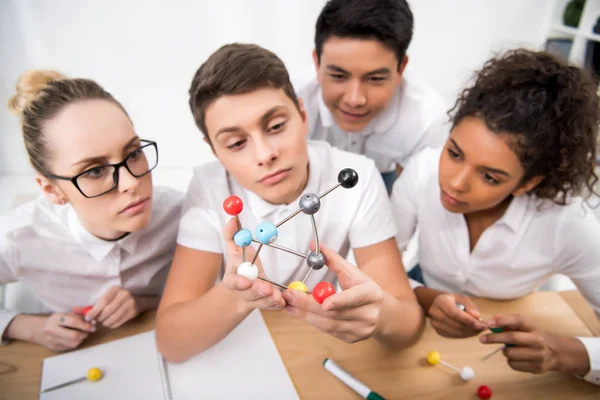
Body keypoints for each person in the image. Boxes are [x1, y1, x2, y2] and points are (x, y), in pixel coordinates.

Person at [156, 43, 424, 363]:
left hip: (317, 349)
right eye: (236, 142)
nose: (265, 154)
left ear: (302, 116)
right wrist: (238, 295)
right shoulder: (210, 188)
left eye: (276, 126)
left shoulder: (354, 177)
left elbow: (407, 326)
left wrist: (381, 317)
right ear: (214, 150)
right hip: (248, 350)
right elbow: (171, 343)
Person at [391, 49, 600, 384]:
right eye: (454, 153)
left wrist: (562, 352)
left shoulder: (568, 222)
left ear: (528, 182)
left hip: (510, 334)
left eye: (490, 177)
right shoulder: (422, 172)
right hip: (423, 318)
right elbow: (375, 267)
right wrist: (427, 299)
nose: (455, 183)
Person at [1, 70, 182, 351]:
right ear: (52, 190)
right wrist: (25, 326)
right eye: (95, 171)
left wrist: (145, 302)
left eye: (133, 154)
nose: (132, 183)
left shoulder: (180, 215)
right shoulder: (17, 237)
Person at [294, 0, 448, 193]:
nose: (354, 99)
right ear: (317, 63)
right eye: (338, 76)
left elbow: (418, 202)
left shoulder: (427, 120)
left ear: (401, 68)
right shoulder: (290, 102)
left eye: (374, 79)